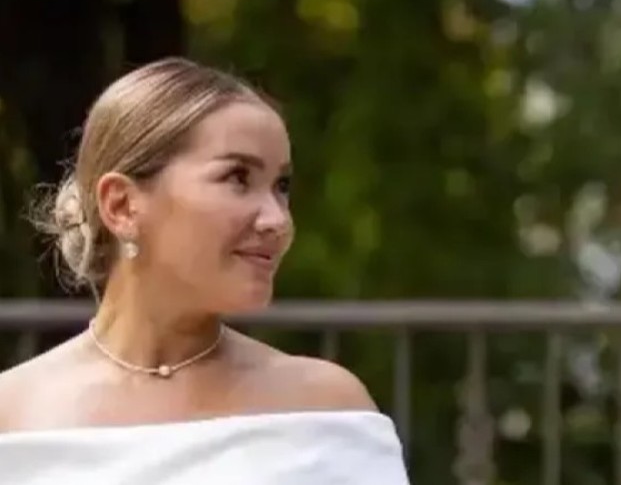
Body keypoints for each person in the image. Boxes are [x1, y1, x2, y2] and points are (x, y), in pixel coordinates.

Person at [0, 58, 411, 484]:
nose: (277, 220)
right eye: (237, 178)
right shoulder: (12, 417)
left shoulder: (326, 410)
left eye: (281, 187)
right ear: (122, 205)